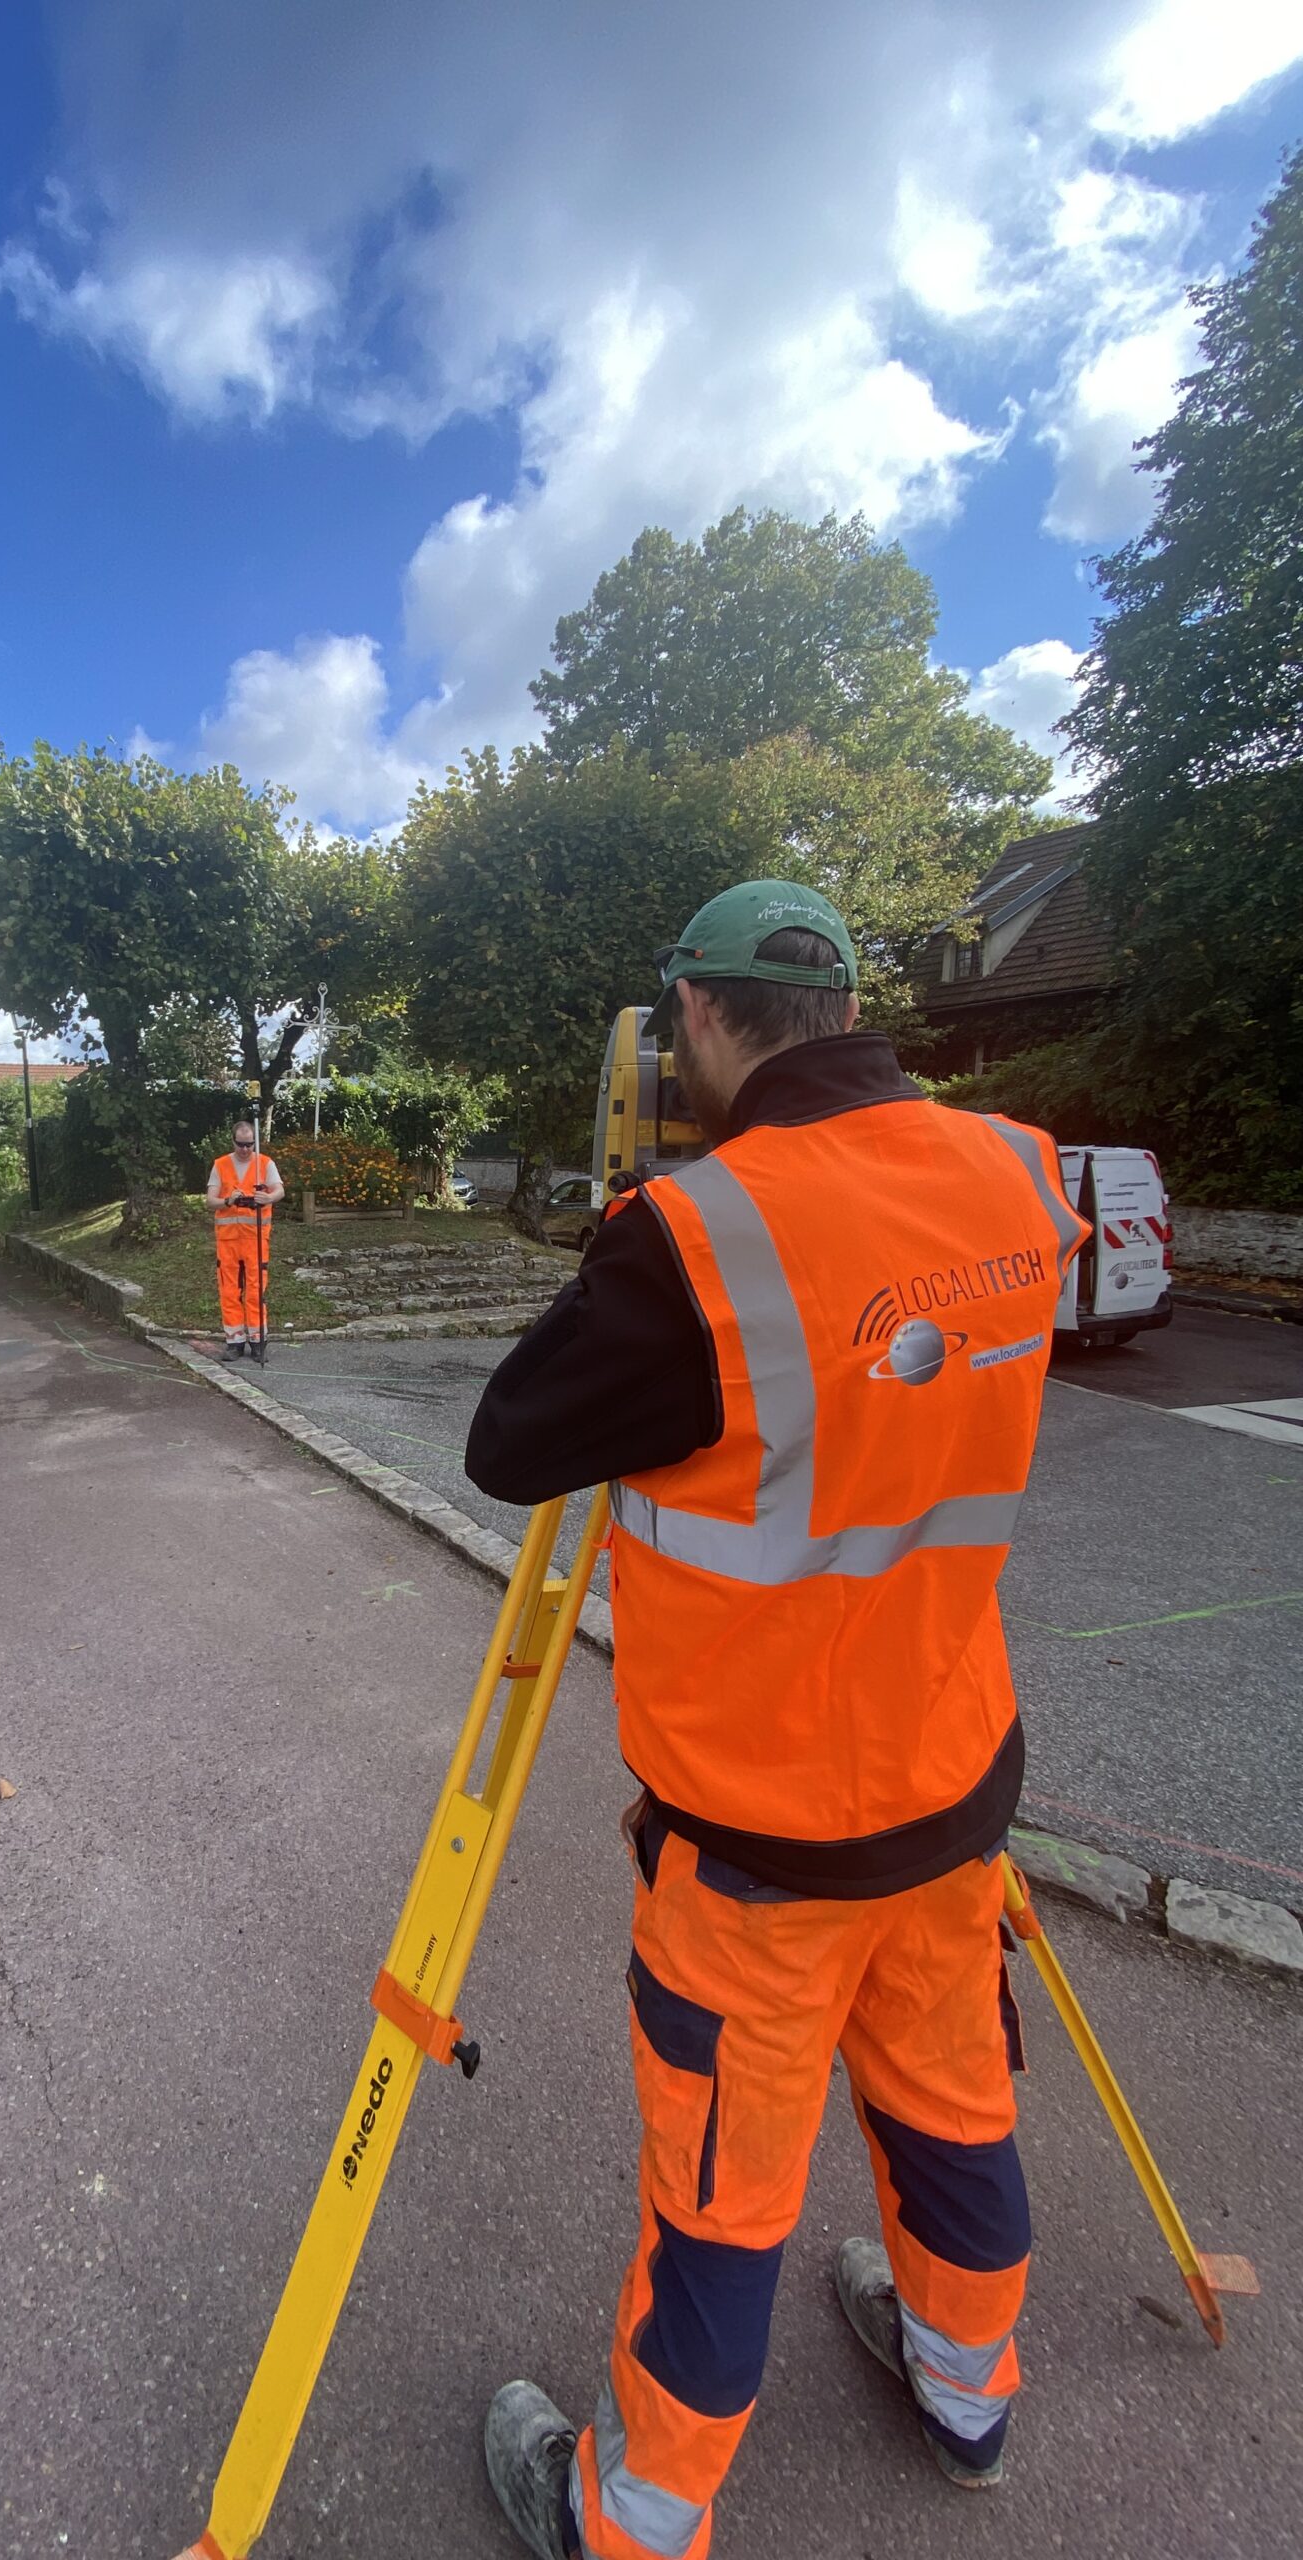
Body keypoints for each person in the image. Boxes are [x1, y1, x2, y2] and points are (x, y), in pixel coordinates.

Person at [466, 880, 1088, 2560]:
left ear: (702, 1021)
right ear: (845, 1011)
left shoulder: (691, 1240)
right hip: (954, 1793)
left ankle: (635, 2516)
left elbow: (510, 1444)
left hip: (759, 1850)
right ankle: (971, 2396)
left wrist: (628, 1226)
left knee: (725, 2193)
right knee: (955, 2105)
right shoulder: (1022, 1174)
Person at [206, 1116, 284, 1359]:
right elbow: (210, 1201)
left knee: (255, 1289)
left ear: (254, 1142)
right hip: (228, 1240)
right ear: (233, 1142)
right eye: (240, 1144)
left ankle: (258, 1341)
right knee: (229, 1290)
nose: (244, 1149)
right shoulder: (220, 1165)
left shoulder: (265, 1163)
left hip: (256, 1238)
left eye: (249, 1144)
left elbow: (280, 1189)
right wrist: (228, 1200)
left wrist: (268, 1198)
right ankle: (234, 1342)